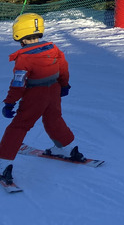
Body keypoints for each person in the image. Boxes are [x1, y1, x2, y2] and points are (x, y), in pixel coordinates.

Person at [0, 13, 85, 185]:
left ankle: (3, 163)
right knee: (54, 118)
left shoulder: (24, 58)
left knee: (19, 125)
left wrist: (10, 102)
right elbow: (63, 67)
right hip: (53, 90)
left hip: (35, 94)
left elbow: (18, 83)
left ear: (19, 34)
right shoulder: (52, 48)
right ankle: (67, 148)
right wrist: (64, 84)